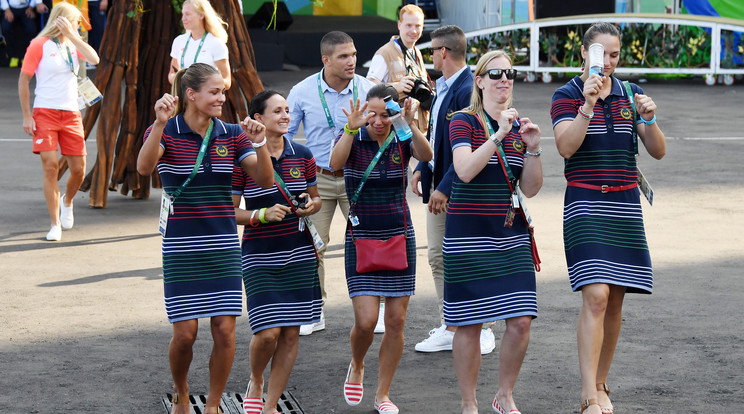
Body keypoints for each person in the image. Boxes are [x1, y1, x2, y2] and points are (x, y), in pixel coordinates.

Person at [136, 63, 273, 414]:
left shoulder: (231, 133)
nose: (221, 98)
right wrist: (161, 123)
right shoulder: (167, 130)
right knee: (185, 334)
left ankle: (212, 405)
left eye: (223, 92)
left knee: (225, 332)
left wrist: (260, 143)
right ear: (191, 95)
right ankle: (181, 392)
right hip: (182, 248)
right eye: (214, 92)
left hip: (223, 246)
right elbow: (144, 168)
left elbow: (265, 182)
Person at [550, 22, 666, 414]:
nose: (609, 62)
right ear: (585, 52)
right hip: (585, 203)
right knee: (596, 296)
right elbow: (566, 147)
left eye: (615, 54)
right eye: (602, 53)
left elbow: (658, 151)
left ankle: (601, 384)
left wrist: (649, 119)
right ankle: (587, 395)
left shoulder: (630, 93)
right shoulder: (566, 94)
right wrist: (588, 103)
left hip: (625, 205)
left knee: (615, 300)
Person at [445, 50, 543, 414]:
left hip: (510, 235)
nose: (505, 79)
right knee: (469, 324)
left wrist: (533, 149)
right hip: (468, 236)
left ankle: (504, 396)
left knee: (520, 321)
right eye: (496, 73)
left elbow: (530, 188)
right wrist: (499, 134)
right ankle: (469, 403)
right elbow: (465, 170)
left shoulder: (521, 127)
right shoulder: (463, 121)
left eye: (510, 73)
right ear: (480, 80)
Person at [329, 83, 432, 414]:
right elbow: (334, 163)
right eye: (371, 113)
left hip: (399, 233)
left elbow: (427, 155)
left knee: (397, 320)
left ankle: (383, 394)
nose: (377, 120)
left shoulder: (400, 136)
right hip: (362, 236)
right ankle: (357, 364)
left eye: (384, 113)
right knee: (366, 320)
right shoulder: (355, 138)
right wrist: (350, 127)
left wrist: (408, 123)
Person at [232, 90, 322, 414]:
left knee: (290, 334)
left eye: (287, 110)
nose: (286, 116)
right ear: (258, 119)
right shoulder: (243, 159)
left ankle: (270, 406)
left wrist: (311, 206)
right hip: (259, 254)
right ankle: (256, 379)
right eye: (277, 111)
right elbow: (229, 213)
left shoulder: (303, 153)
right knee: (268, 333)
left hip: (299, 252)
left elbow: (316, 198)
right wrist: (259, 214)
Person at [410, 25, 497, 354]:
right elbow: (439, 137)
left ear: (443, 52)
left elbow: (471, 143)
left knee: (464, 257)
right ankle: (454, 324)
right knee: (438, 257)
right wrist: (422, 166)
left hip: (459, 188)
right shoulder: (445, 86)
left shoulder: (466, 89)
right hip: (442, 182)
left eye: (431, 50)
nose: (430, 56)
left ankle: (482, 327)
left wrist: (444, 186)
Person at [286, 31, 374, 336]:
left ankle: (372, 309)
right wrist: (294, 178)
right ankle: (313, 310)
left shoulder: (368, 89)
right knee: (312, 245)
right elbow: (284, 137)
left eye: (353, 54)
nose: (352, 61)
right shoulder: (301, 91)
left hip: (358, 179)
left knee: (369, 241)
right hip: (318, 181)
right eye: (343, 56)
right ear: (326, 60)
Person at [18, 2, 99, 241]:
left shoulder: (75, 44)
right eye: (75, 22)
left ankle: (68, 201)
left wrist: (74, 36)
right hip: (45, 113)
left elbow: (94, 59)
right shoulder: (39, 45)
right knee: (51, 166)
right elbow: (23, 81)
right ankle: (54, 224)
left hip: (72, 113)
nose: (79, 26)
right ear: (62, 20)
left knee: (78, 170)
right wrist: (26, 115)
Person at [367, 3, 430, 133]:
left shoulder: (416, 52)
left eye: (418, 26)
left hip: (418, 128)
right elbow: (369, 86)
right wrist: (396, 87)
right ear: (399, 25)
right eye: (408, 25)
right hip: (395, 130)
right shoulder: (385, 53)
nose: (413, 31)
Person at [168, 0, 231, 90]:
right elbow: (171, 73)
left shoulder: (216, 43)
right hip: (183, 99)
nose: (183, 18)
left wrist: (202, 82)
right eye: (183, 14)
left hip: (207, 101)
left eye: (188, 14)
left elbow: (227, 82)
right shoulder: (179, 41)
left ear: (201, 15)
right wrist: (178, 79)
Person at [2, 0, 46, 67]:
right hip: (10, 8)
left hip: (27, 8)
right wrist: (7, 10)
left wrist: (31, 8)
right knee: (6, 28)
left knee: (31, 29)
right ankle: (12, 56)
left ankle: (26, 56)